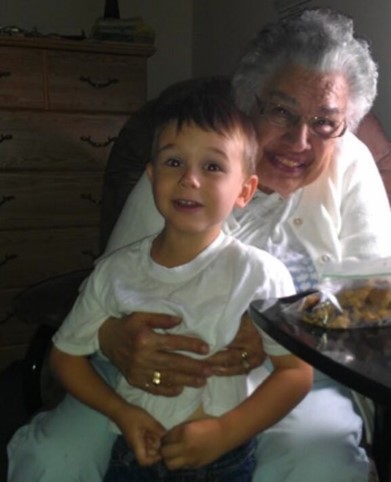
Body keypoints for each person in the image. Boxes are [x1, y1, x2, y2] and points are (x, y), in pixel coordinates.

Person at [7, 7, 391, 482]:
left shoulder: (351, 165)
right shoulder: (189, 164)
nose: (300, 140)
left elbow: (377, 295)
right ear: (251, 100)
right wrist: (114, 338)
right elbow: (110, 284)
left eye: (325, 122)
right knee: (53, 459)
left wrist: (288, 328)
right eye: (282, 111)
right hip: (155, 368)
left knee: (318, 465)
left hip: (299, 375)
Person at [48, 85, 313, 481]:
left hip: (222, 460)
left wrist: (227, 431)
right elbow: (64, 356)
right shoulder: (116, 272)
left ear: (244, 190)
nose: (189, 179)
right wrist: (122, 412)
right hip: (137, 456)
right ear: (151, 176)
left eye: (212, 167)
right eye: (173, 162)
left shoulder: (261, 274)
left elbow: (296, 373)